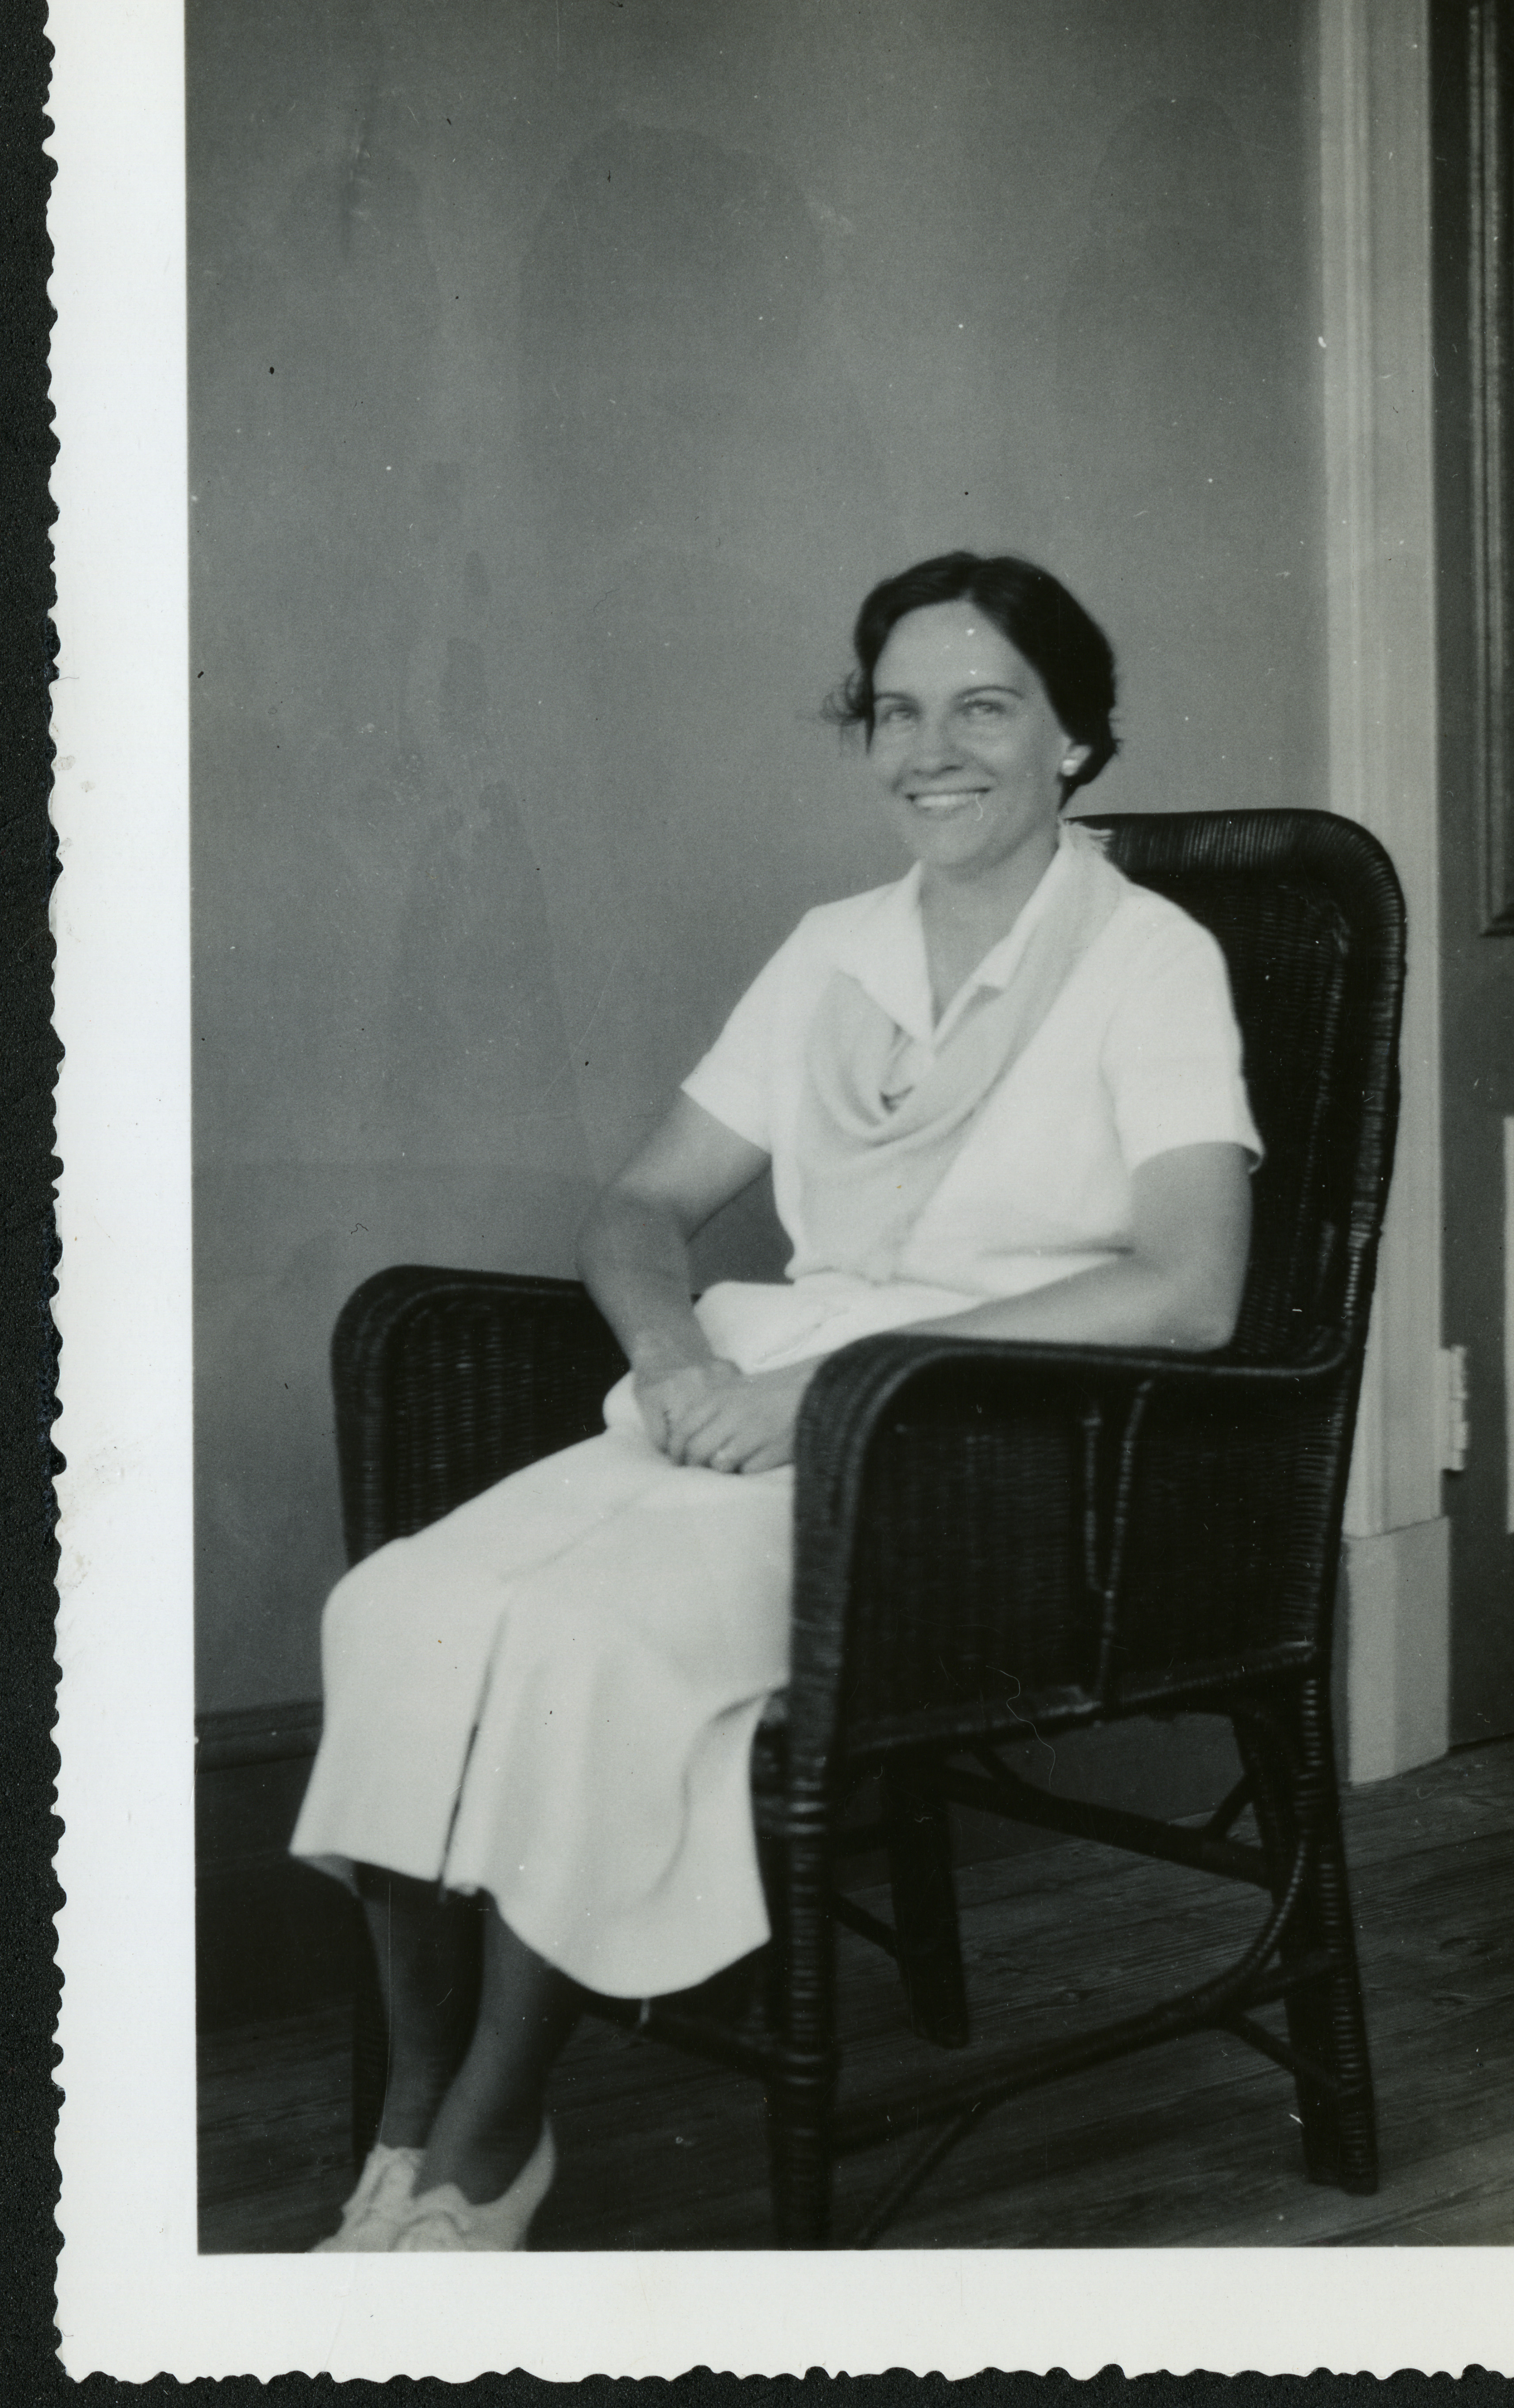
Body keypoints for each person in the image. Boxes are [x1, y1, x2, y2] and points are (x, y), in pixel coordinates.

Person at [291, 551, 1261, 2251]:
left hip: (971, 1448)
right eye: (896, 709)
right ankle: (414, 2123)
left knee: (586, 1649)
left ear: (1076, 745)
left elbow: (1189, 1285)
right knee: (403, 1603)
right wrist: (676, 1360)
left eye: (985, 706)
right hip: (752, 1406)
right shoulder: (833, 948)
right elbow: (639, 1208)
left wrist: (822, 1386)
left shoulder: (1149, 959)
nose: (930, 747)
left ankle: (494, 2150)